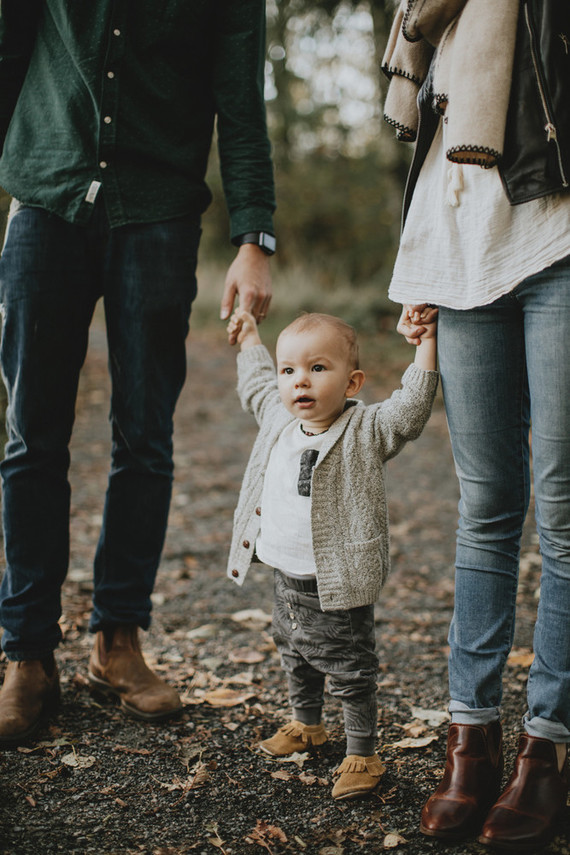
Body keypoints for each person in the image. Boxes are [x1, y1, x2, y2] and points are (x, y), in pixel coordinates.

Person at [0, 0, 276, 744]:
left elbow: (241, 98)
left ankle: (116, 640)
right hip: (45, 197)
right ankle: (25, 651)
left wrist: (255, 233)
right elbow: (8, 45)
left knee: (145, 435)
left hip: (158, 211)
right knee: (32, 436)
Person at [382, 0, 570, 850]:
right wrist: (421, 257)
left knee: (562, 507)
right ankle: (473, 737)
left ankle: (548, 747)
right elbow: (432, 113)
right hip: (461, 248)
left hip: (556, 233)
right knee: (486, 505)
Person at [225, 308, 438, 800]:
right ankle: (307, 725)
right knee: (294, 652)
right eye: (290, 370)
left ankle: (363, 751)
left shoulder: (365, 429)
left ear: (351, 381)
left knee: (349, 667)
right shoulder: (279, 419)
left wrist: (425, 345)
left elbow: (409, 411)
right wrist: (251, 339)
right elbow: (257, 386)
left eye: (318, 368)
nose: (300, 381)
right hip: (285, 576)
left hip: (335, 582)